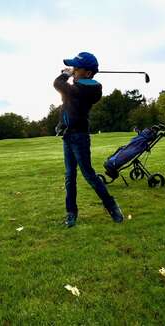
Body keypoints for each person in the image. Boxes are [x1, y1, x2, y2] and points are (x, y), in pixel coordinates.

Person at [53, 52, 124, 228]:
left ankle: (112, 206)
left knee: (89, 175)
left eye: (77, 68)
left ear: (87, 73)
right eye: (73, 67)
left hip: (79, 137)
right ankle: (71, 212)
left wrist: (65, 74)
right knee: (70, 176)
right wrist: (72, 74)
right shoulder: (79, 86)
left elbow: (58, 84)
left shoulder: (88, 89)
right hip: (68, 136)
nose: (74, 70)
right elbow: (67, 92)